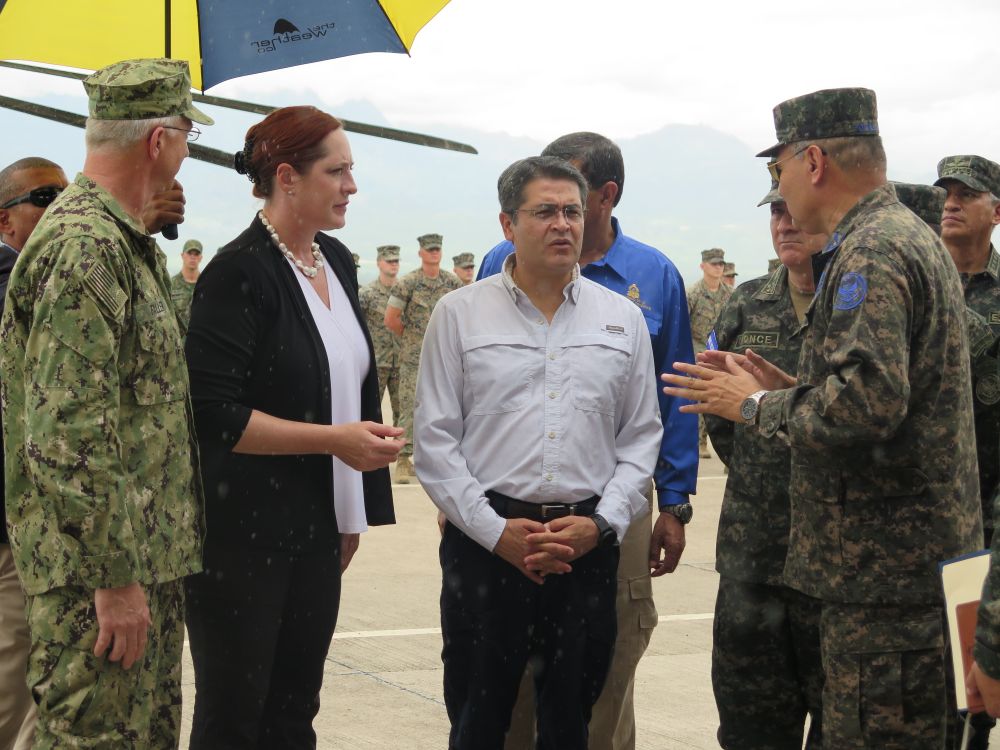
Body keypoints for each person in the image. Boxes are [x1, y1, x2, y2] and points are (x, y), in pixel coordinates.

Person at [663, 87, 982, 748]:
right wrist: (798, 387)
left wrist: (752, 404)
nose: (778, 188)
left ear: (813, 162)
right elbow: (883, 389)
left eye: (779, 167)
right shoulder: (898, 237)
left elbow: (867, 404)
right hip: (900, 588)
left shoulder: (870, 250)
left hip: (885, 596)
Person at [414, 155, 662, 750]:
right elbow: (435, 440)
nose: (563, 225)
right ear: (507, 225)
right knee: (477, 720)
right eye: (544, 211)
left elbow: (641, 437)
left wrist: (602, 525)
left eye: (572, 212)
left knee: (571, 722)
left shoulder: (621, 321)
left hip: (584, 542)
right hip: (487, 545)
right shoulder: (459, 315)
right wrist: (494, 531)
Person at [0, 59, 211, 749]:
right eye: (184, 135)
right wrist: (114, 579)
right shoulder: (86, 247)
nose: (187, 152)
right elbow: (67, 435)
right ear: (158, 141)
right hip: (101, 586)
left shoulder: (124, 242)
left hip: (140, 570)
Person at [183, 105, 403, 749]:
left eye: (351, 171)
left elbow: (344, 382)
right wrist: (337, 442)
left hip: (315, 529)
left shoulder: (334, 258)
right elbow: (214, 414)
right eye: (337, 171)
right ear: (287, 177)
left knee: (293, 712)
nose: (351, 187)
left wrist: (349, 510)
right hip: (241, 538)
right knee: (235, 717)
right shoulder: (237, 273)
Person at [478, 131, 697, 750]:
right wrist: (463, 503)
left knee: (610, 658)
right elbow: (471, 393)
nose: (558, 215)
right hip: (511, 504)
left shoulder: (652, 277)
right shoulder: (502, 260)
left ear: (604, 196)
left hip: (615, 501)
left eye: (570, 200)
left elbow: (674, 396)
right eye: (542, 205)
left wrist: (674, 503)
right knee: (512, 670)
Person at [705, 179, 826, 749]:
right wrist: (766, 472)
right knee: (751, 729)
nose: (784, 222)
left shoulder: (862, 300)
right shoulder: (747, 302)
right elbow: (719, 416)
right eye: (775, 212)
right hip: (753, 558)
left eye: (793, 209)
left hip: (838, 565)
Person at [0, 156, 68, 750]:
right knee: (17, 699)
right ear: (5, 222)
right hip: (12, 536)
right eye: (46, 199)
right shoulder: (16, 284)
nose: (61, 212)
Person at [385, 232, 462, 483]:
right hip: (413, 359)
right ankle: (403, 461)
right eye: (429, 250)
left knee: (444, 408)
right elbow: (392, 319)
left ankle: (438, 459)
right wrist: (414, 339)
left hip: (445, 358)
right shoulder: (407, 283)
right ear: (420, 253)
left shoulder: (452, 283)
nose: (434, 253)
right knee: (409, 408)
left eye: (437, 249)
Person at [687, 247, 731, 458]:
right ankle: (700, 442)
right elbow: (683, 324)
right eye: (714, 264)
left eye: (721, 264)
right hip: (699, 349)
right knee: (701, 398)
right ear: (702, 266)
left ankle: (726, 447)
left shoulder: (729, 294)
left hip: (721, 350)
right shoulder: (693, 293)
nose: (718, 268)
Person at [359, 244, 402, 426]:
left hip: (400, 360)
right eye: (389, 261)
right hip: (377, 361)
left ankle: (402, 452)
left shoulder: (405, 291)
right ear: (379, 263)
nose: (393, 264)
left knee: (404, 411)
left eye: (396, 261)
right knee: (371, 411)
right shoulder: (366, 294)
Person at [170, 238, 203, 330]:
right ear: (182, 255)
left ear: (201, 258)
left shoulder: (206, 285)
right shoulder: (170, 284)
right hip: (177, 342)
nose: (193, 257)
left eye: (196, 254)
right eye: (189, 253)